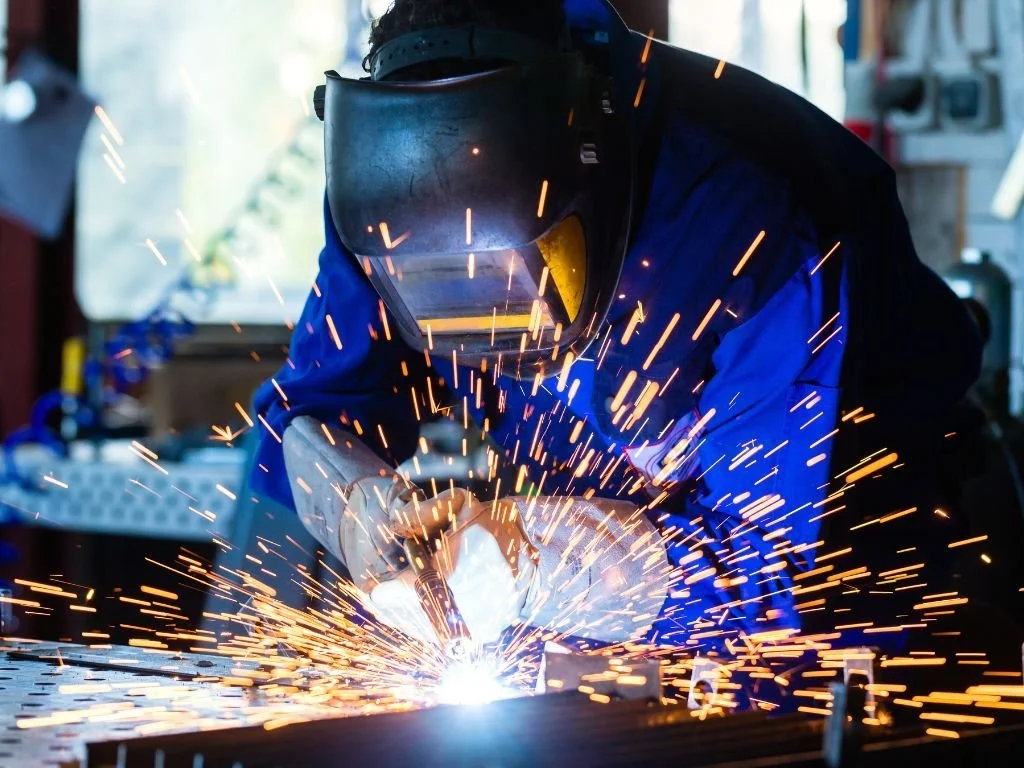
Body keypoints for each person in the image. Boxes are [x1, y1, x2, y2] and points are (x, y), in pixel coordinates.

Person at [250, 0, 982, 652]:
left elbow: (769, 571)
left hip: (865, 582)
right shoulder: (382, 201)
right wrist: (357, 509)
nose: (483, 319)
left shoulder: (747, 224)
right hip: (604, 591)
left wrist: (536, 559)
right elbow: (309, 416)